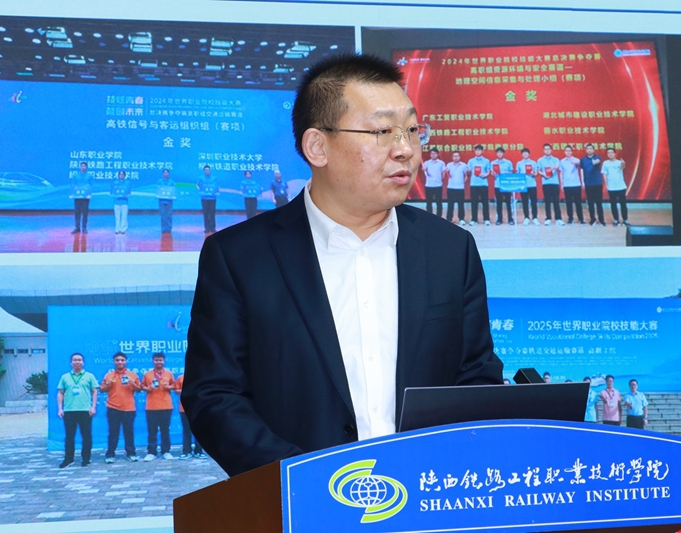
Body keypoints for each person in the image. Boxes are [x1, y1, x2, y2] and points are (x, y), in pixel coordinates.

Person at [182, 53, 504, 477]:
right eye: (383, 132)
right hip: (300, 497)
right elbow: (214, 396)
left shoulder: (450, 248)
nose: (406, 150)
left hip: (426, 492)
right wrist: (308, 479)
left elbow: (477, 376)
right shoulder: (239, 257)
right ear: (318, 147)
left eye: (412, 130)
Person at [56, 353, 99, 468]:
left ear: (83, 362)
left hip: (85, 410)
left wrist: (93, 407)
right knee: (69, 436)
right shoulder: (65, 377)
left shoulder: (89, 376)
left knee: (86, 435)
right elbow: (60, 393)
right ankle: (68, 459)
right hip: (69, 410)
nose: (77, 362)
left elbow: (94, 391)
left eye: (79, 360)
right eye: (75, 360)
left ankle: (86, 458)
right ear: (71, 362)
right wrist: (60, 408)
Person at [99, 352, 142, 463]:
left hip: (129, 408)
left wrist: (132, 383)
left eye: (122, 360)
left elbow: (139, 389)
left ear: (126, 361)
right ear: (114, 362)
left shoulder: (132, 375)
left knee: (129, 432)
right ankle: (110, 454)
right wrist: (108, 385)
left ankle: (131, 453)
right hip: (113, 408)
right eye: (117, 360)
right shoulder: (109, 375)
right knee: (113, 432)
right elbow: (102, 389)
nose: (120, 362)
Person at [141, 353, 175, 461]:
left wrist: (169, 387)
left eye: (160, 360)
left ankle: (166, 451)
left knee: (165, 430)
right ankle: (151, 452)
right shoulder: (147, 374)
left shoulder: (169, 373)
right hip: (151, 407)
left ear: (164, 361)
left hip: (166, 406)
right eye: (156, 360)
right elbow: (142, 386)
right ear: (153, 361)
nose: (158, 362)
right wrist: (148, 388)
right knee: (152, 430)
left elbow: (174, 385)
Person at [175, 373, 203, 459]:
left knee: (199, 431)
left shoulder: (201, 377)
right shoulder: (180, 378)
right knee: (186, 430)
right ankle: (187, 451)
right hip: (184, 408)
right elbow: (176, 390)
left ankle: (199, 451)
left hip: (198, 408)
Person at [536, 144, 563, 226]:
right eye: (545, 149)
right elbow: (538, 170)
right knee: (547, 201)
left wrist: (553, 168)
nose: (547, 151)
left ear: (551, 150)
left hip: (555, 183)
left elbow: (557, 166)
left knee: (556, 201)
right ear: (543, 150)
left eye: (548, 149)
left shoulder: (555, 159)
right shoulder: (540, 160)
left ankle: (558, 218)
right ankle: (548, 218)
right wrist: (543, 174)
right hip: (546, 183)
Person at [602, 147, 629, 226]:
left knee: (623, 204)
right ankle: (616, 219)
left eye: (612, 152)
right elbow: (604, 174)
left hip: (621, 186)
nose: (610, 154)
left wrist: (623, 164)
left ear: (615, 153)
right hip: (611, 187)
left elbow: (622, 167)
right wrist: (606, 185)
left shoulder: (619, 162)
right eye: (608, 153)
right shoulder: (605, 163)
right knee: (613, 204)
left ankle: (625, 219)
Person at [466, 144, 491, 226]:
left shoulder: (486, 161)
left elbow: (488, 171)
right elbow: (468, 171)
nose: (477, 152)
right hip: (474, 184)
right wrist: (468, 171)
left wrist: (485, 175)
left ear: (482, 151)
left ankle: (486, 219)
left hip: (483, 184)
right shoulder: (471, 161)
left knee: (485, 202)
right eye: (476, 150)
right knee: (474, 202)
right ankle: (474, 219)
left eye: (479, 150)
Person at [580, 144, 605, 226]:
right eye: (588, 149)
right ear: (586, 150)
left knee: (599, 203)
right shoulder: (583, 159)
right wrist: (583, 182)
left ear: (594, 150)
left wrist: (595, 162)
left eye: (591, 148)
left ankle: (601, 220)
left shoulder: (597, 157)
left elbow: (598, 161)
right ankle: (592, 219)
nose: (589, 150)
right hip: (588, 184)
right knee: (590, 203)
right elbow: (581, 170)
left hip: (597, 183)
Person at [560, 145, 584, 225]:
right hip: (567, 184)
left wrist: (576, 164)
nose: (568, 152)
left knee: (578, 202)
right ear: (564, 152)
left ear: (572, 152)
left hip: (576, 184)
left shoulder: (577, 160)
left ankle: (581, 219)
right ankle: (570, 218)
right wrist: (562, 184)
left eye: (569, 151)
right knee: (568, 203)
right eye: (566, 151)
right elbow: (561, 173)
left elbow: (580, 167)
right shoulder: (562, 161)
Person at [515, 148, 539, 226]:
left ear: (529, 154)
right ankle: (526, 217)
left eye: (526, 153)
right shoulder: (519, 163)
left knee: (534, 201)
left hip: (532, 184)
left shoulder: (533, 163)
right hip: (523, 185)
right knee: (524, 202)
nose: (525, 154)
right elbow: (517, 174)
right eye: (524, 153)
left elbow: (536, 173)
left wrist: (533, 173)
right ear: (522, 154)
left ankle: (535, 217)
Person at [492, 147, 514, 225]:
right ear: (496, 154)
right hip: (498, 185)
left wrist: (509, 173)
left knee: (508, 202)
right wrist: (493, 173)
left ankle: (510, 219)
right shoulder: (493, 163)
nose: (499, 154)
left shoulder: (508, 162)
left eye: (501, 152)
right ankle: (499, 219)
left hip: (507, 185)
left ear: (503, 153)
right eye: (498, 152)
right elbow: (491, 173)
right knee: (499, 203)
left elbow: (512, 172)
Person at [445, 150, 468, 225]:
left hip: (460, 188)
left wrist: (463, 183)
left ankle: (461, 219)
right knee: (450, 204)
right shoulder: (449, 165)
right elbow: (446, 174)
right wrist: (445, 171)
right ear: (452, 157)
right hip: (451, 187)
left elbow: (466, 176)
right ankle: (449, 219)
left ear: (460, 157)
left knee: (461, 204)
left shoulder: (464, 165)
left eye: (457, 156)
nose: (456, 157)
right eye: (454, 156)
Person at [70, 161, 93, 234]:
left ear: (86, 167)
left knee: (85, 212)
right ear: (80, 167)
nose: (83, 167)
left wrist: (90, 194)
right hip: (77, 197)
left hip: (85, 197)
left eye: (84, 166)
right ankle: (77, 227)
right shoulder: (75, 176)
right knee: (77, 212)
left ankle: (84, 227)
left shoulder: (89, 176)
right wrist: (72, 194)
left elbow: (91, 186)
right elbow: (73, 185)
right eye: (82, 166)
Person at [422, 148, 445, 217]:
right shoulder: (426, 163)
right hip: (429, 185)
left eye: (434, 153)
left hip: (438, 185)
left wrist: (441, 180)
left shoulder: (441, 163)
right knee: (429, 202)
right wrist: (424, 169)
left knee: (439, 202)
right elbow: (424, 170)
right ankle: (430, 217)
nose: (433, 155)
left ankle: (439, 217)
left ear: (437, 154)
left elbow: (443, 173)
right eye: (431, 153)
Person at [198, 165, 219, 234]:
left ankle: (213, 227)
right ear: (204, 171)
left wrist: (216, 192)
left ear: (210, 170)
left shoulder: (214, 178)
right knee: (206, 213)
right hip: (204, 198)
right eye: (206, 170)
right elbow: (198, 186)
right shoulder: (200, 178)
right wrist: (201, 191)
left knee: (212, 213)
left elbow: (217, 186)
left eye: (208, 170)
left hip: (212, 198)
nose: (207, 171)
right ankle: (207, 228)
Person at [110, 170, 131, 234]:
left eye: (122, 174)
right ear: (118, 175)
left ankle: (123, 229)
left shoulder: (127, 183)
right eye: (120, 174)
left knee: (124, 216)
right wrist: (114, 195)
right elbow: (112, 192)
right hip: (117, 202)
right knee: (117, 216)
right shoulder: (115, 183)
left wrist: (126, 195)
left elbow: (129, 193)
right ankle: (117, 229)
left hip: (124, 202)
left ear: (125, 175)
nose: (121, 175)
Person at [156, 169, 176, 233]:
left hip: (169, 201)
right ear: (162, 174)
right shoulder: (159, 182)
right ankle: (163, 228)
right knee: (163, 215)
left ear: (169, 174)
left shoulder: (172, 182)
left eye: (167, 173)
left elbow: (173, 191)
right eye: (164, 173)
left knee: (169, 215)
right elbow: (158, 190)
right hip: (162, 201)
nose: (166, 174)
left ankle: (169, 228)